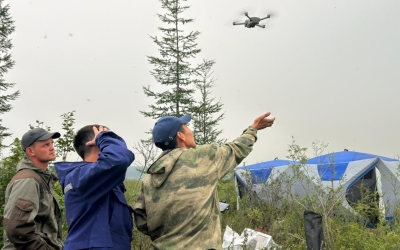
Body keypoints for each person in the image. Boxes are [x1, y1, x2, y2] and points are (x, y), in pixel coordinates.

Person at [133, 112, 276, 250]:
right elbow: (236, 149)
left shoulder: (149, 179)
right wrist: (253, 128)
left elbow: (141, 220)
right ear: (180, 135)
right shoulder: (203, 158)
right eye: (187, 127)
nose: (191, 131)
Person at [54, 125, 135, 250]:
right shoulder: (80, 176)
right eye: (107, 138)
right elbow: (119, 159)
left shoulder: (97, 179)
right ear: (95, 143)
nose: (111, 141)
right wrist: (105, 138)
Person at [2, 128, 64, 250]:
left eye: (52, 143)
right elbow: (17, 228)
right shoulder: (28, 180)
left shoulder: (42, 178)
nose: (52, 148)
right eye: (46, 145)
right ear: (31, 151)